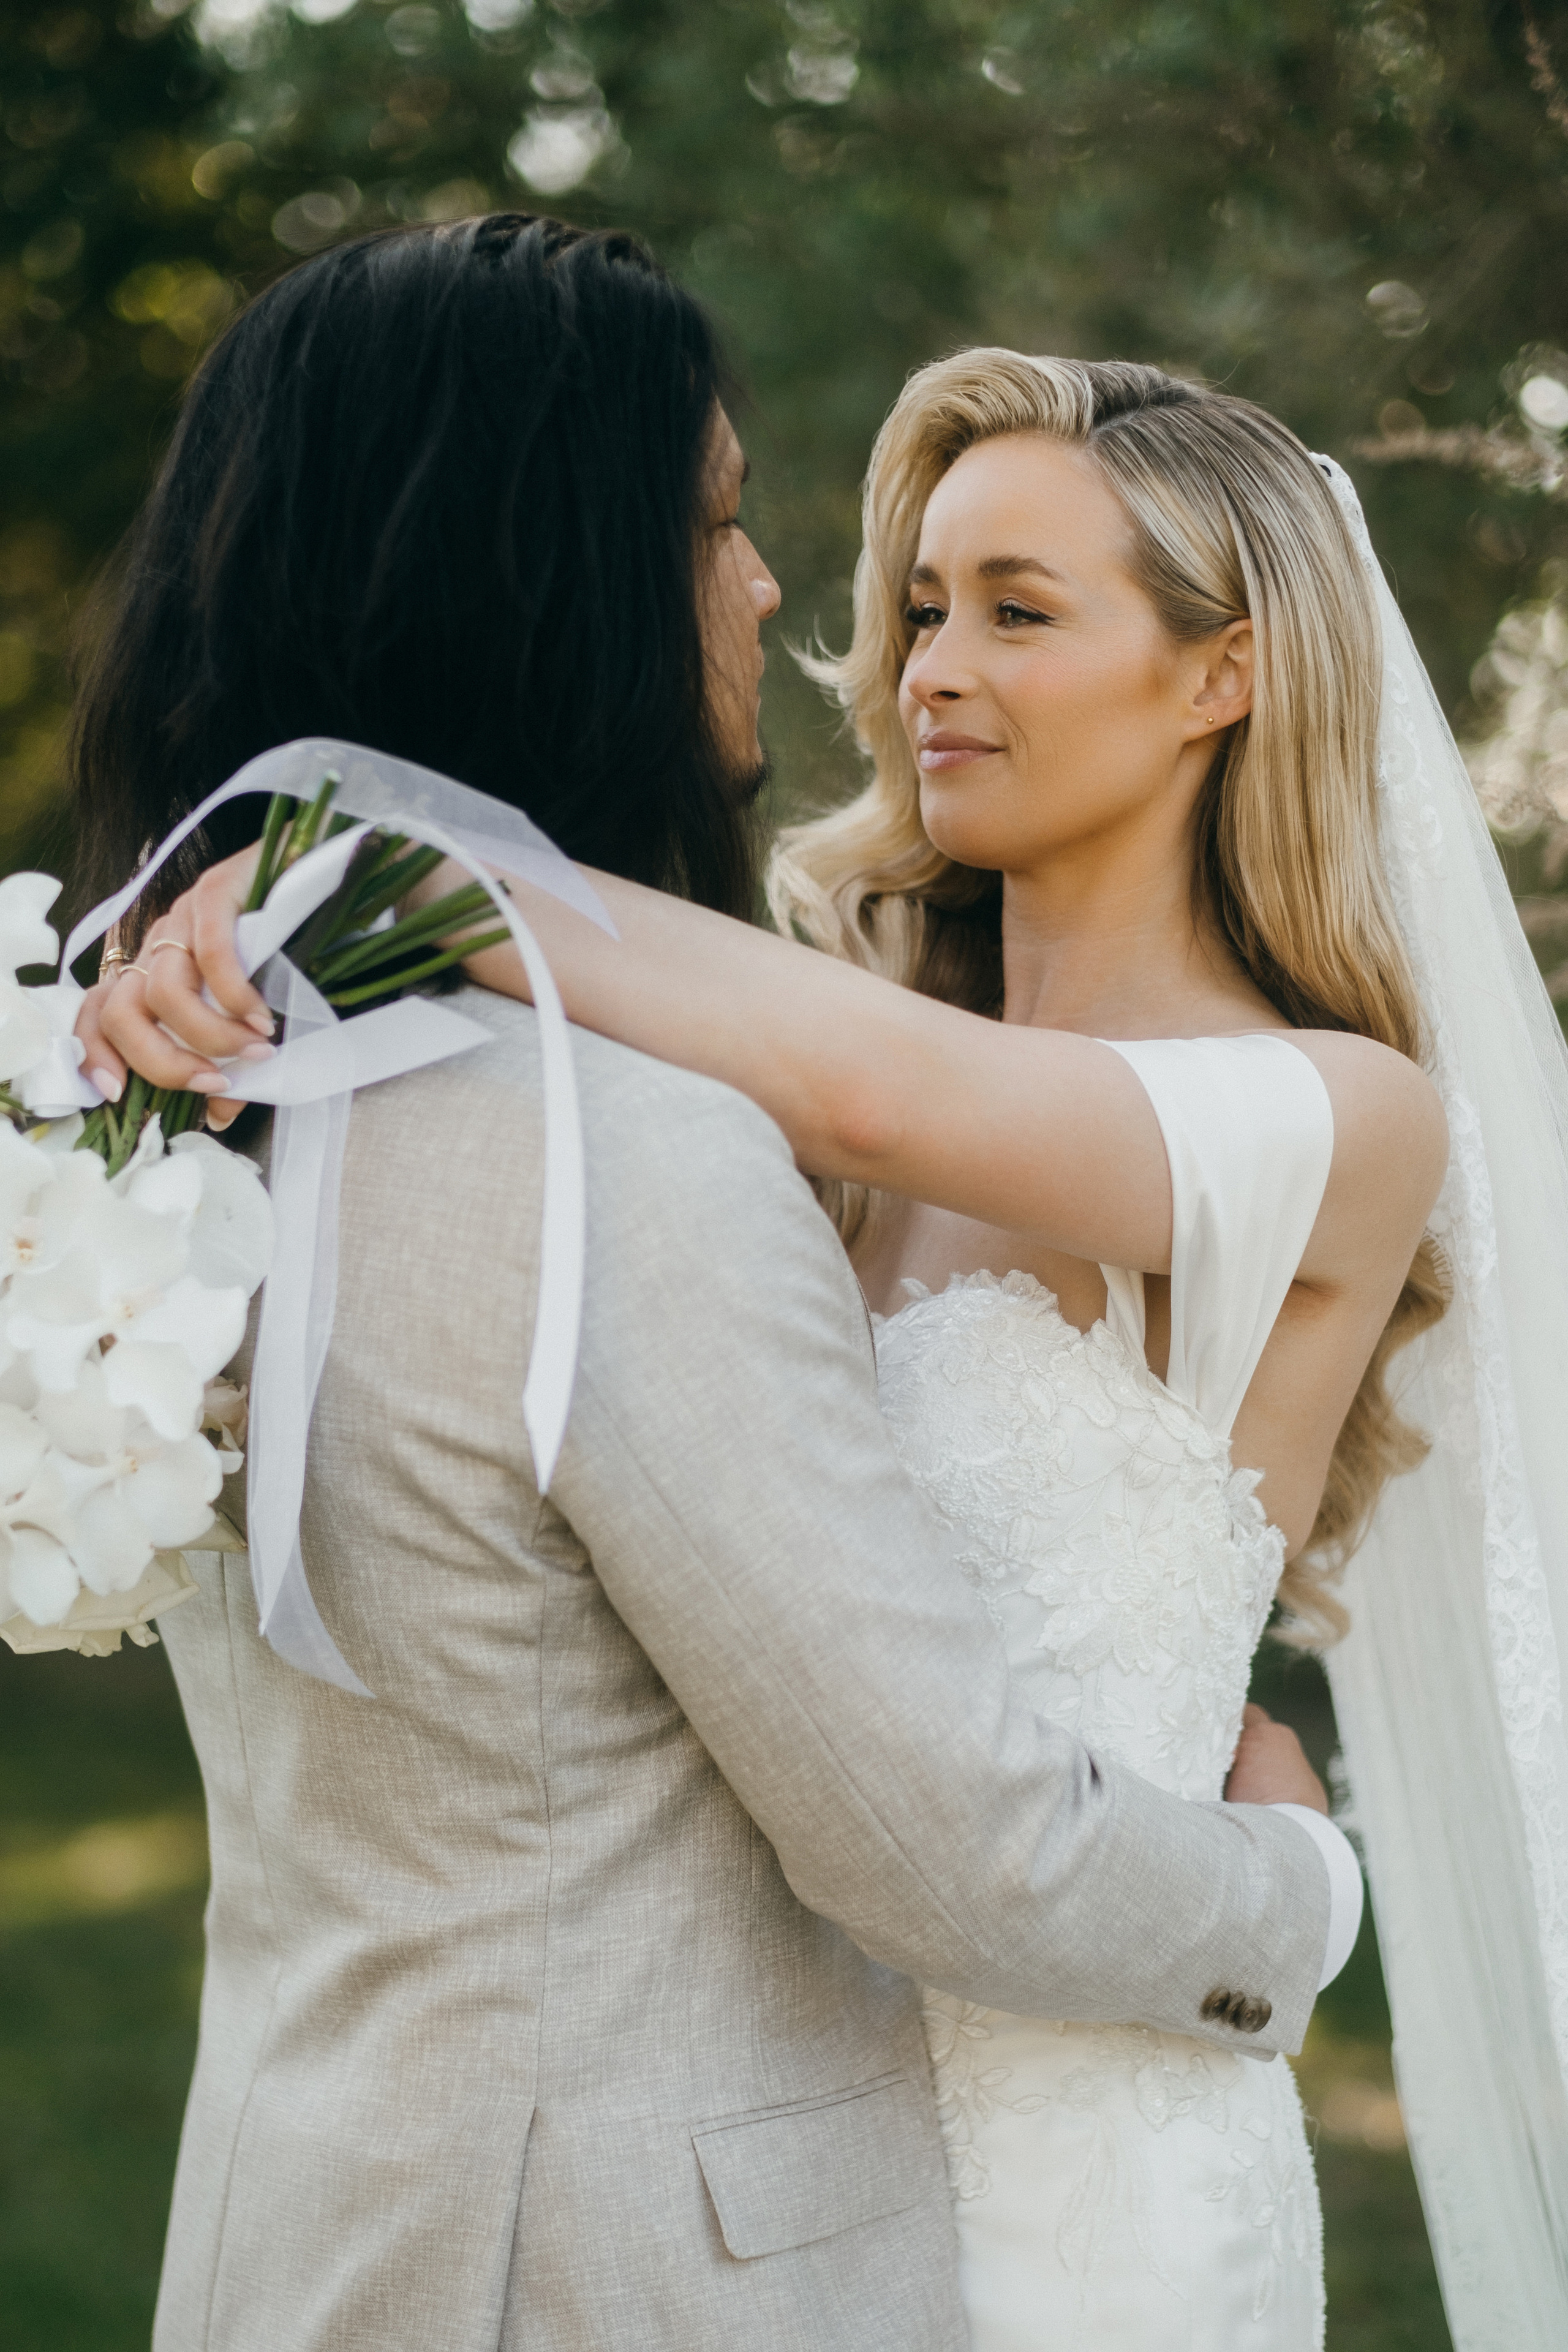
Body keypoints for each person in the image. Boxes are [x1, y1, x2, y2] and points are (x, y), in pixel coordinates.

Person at [68, 224, 1353, 2352]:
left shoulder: (178, 1107)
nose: (787, 602)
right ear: (548, 578)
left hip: (307, 2224)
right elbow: (952, 1855)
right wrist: (1294, 1898)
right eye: (722, 523)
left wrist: (325, 857)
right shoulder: (632, 1154)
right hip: (625, 2270)